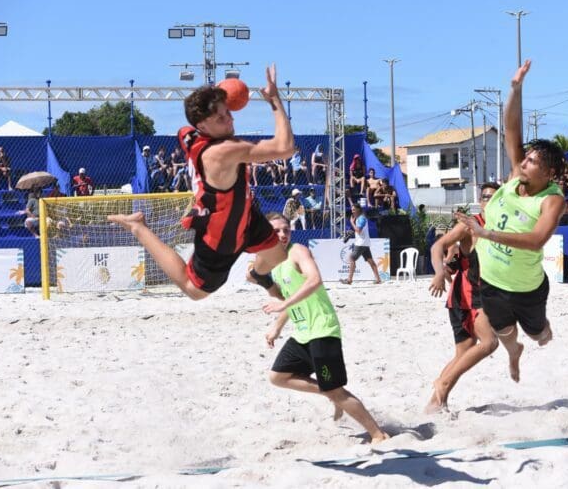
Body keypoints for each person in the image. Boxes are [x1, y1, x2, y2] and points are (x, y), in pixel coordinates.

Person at [108, 64, 294, 300]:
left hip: (244, 213)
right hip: (220, 235)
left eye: (227, 112)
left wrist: (216, 95)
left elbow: (193, 116)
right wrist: (274, 99)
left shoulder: (189, 134)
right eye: (221, 118)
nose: (230, 119)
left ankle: (258, 276)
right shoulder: (223, 151)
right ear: (203, 126)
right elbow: (285, 148)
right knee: (194, 290)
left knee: (278, 256)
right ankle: (138, 227)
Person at [455, 59, 565, 384]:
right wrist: (515, 89)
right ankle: (512, 352)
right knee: (503, 330)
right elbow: (511, 127)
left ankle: (534, 334)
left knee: (540, 335)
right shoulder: (517, 174)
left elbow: (536, 240)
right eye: (526, 158)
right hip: (492, 279)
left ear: (549, 174)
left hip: (526, 286)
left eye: (532, 162)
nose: (524, 162)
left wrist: (486, 232)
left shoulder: (552, 199)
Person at [261, 213, 389, 444]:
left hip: (322, 330)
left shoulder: (297, 251)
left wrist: (283, 304)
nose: (282, 234)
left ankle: (378, 434)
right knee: (278, 376)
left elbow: (315, 280)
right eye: (276, 231)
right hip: (302, 334)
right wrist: (277, 328)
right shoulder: (275, 264)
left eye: (285, 230)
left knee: (336, 390)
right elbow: (293, 299)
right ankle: (327, 392)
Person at [426, 183, 498, 412]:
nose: (489, 201)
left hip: (482, 293)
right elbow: (438, 246)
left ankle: (436, 402)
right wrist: (439, 272)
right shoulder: (469, 224)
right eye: (485, 197)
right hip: (466, 295)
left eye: (494, 197)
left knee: (464, 351)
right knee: (488, 342)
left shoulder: (499, 226)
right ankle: (442, 384)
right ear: (480, 200)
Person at [339, 205, 381, 285]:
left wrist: (351, 222)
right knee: (370, 261)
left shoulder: (361, 218)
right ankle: (378, 279)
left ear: (358, 210)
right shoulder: (360, 218)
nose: (352, 211)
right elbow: (358, 230)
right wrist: (352, 231)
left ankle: (349, 280)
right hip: (364, 243)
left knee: (351, 258)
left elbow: (358, 231)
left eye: (354, 209)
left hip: (361, 243)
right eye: (352, 209)